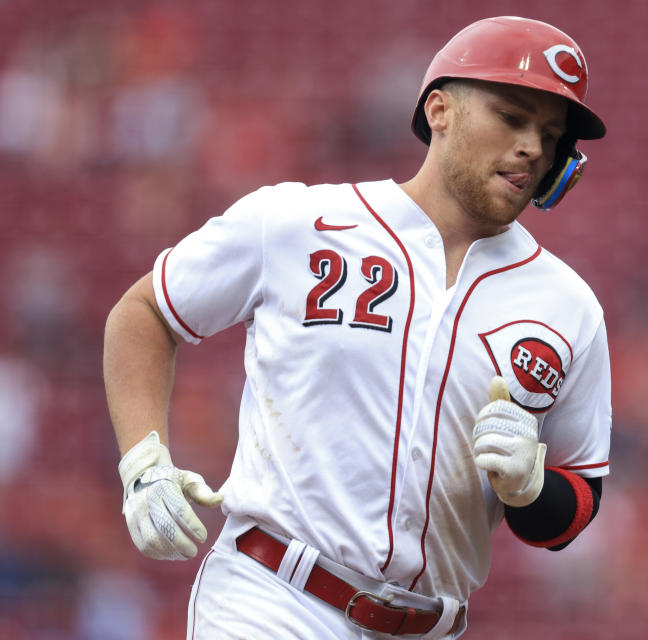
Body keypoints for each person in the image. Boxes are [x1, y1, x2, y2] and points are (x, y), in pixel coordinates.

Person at [103, 15, 611, 639]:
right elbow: (146, 312)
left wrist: (532, 489)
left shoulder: (569, 306)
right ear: (440, 109)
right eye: (511, 116)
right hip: (272, 596)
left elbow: (579, 500)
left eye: (551, 134)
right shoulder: (299, 220)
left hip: (430, 624)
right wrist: (144, 463)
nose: (533, 146)